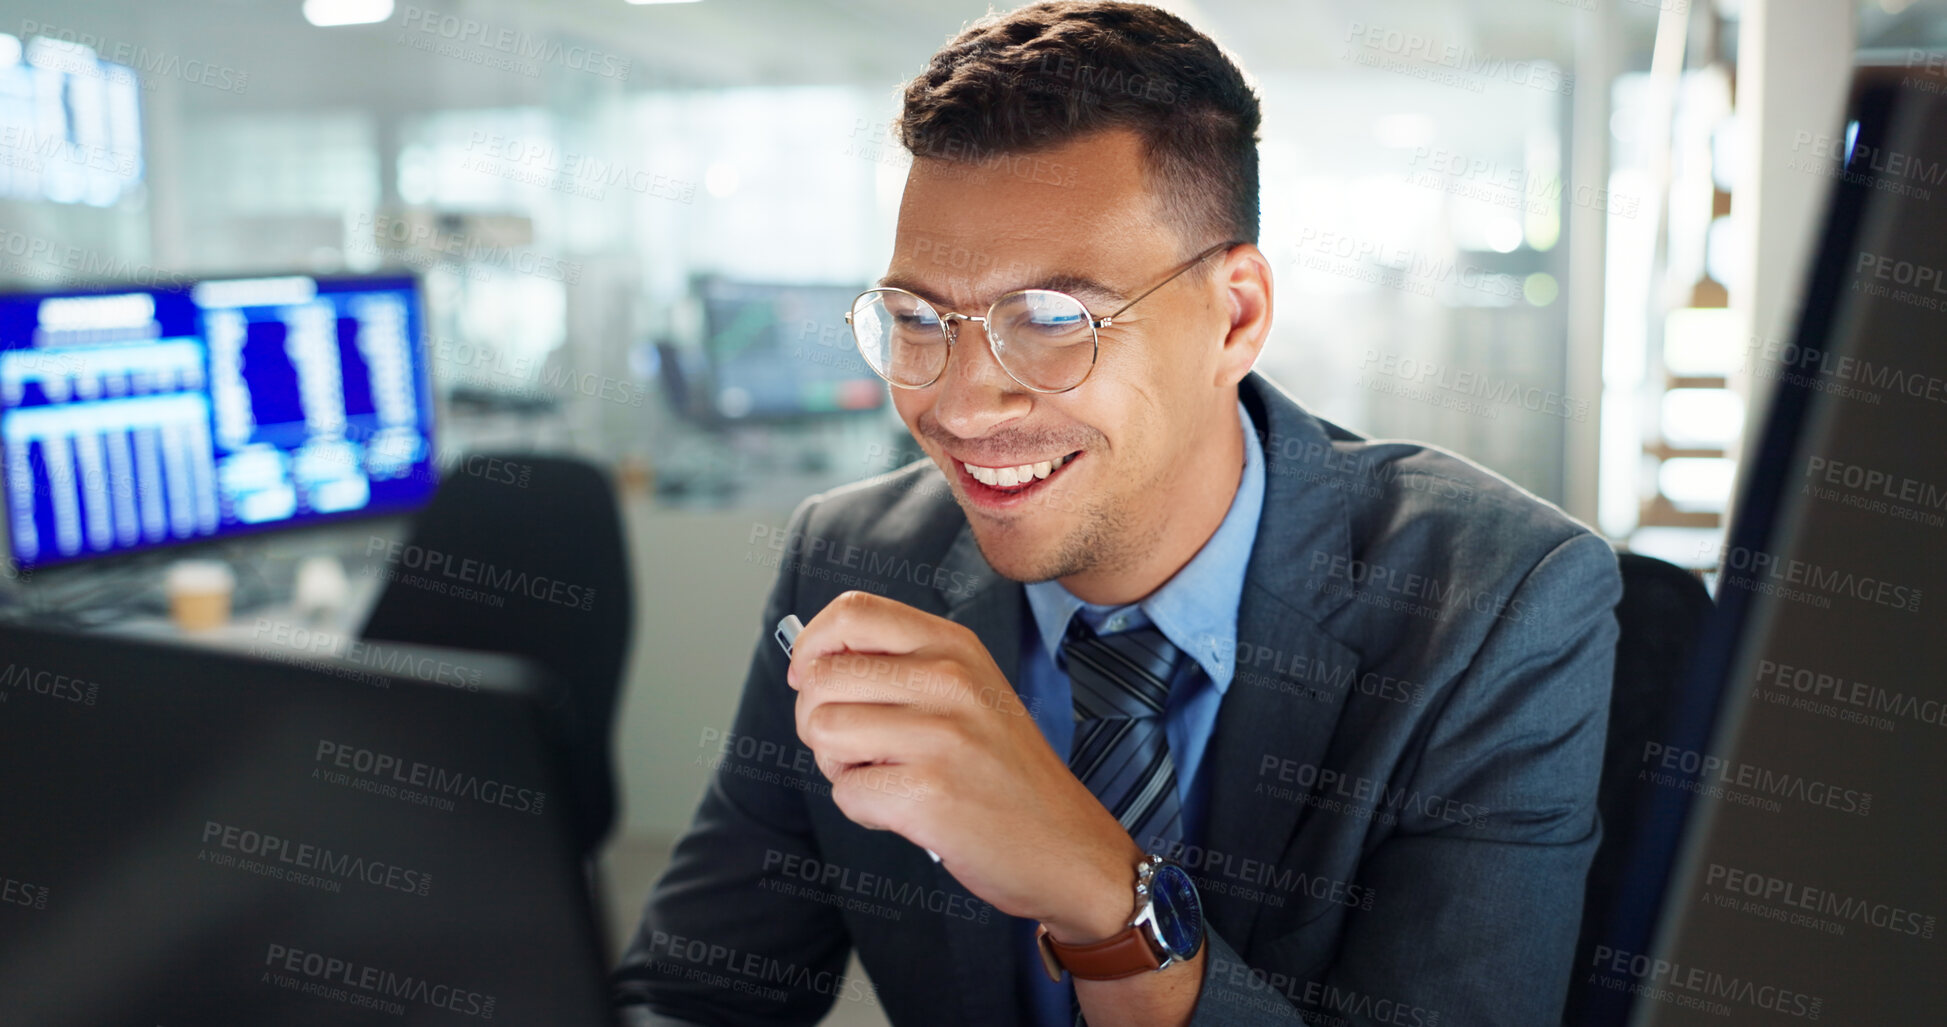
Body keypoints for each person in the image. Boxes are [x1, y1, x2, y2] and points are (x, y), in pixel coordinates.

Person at [613, 3, 1621, 1024]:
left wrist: (1101, 890)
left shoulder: (1497, 604)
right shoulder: (851, 560)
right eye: (920, 321)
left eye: (1053, 320)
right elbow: (694, 993)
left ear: (1236, 318)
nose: (959, 404)